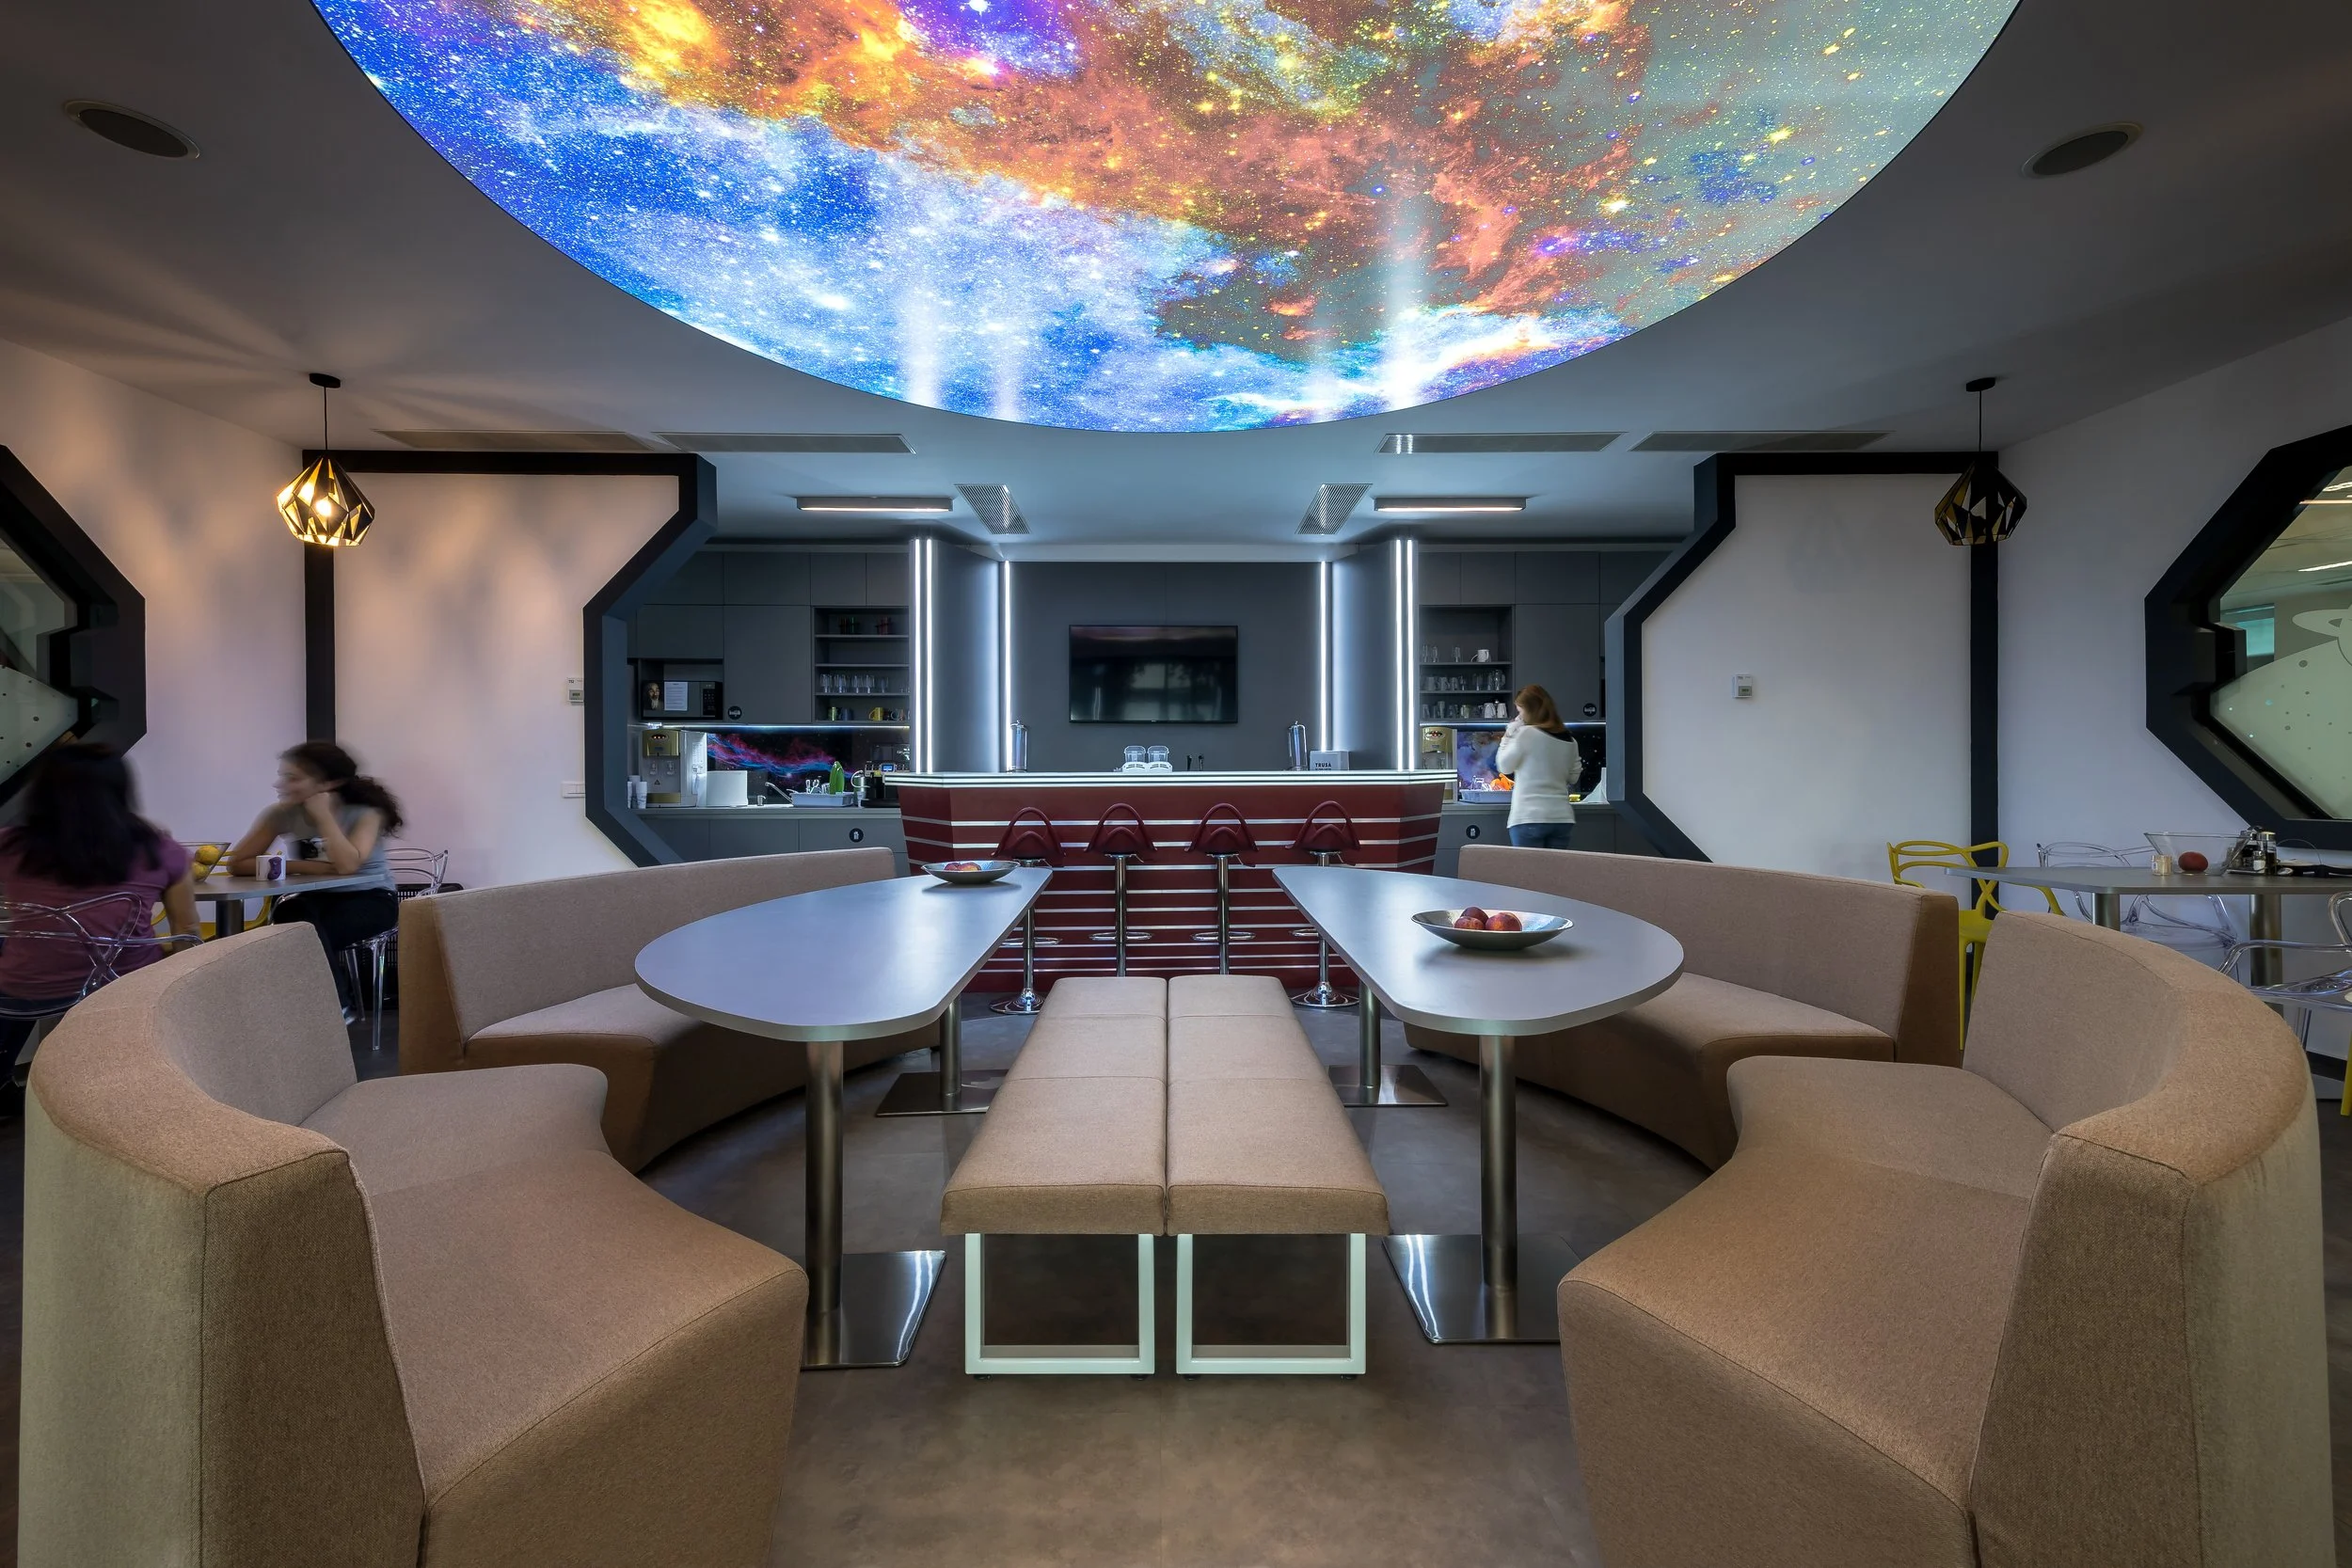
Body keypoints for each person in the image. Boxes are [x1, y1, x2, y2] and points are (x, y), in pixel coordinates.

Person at [0, 743, 199, 1082]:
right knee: (149, 950)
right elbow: (187, 932)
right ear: (120, 791)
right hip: (124, 986)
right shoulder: (161, 850)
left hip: (25, 991)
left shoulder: (8, 846)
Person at [224, 740, 402, 1019]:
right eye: (284, 776)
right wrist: (309, 867)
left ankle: (330, 1008)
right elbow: (238, 864)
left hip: (372, 899)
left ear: (328, 783)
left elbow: (345, 866)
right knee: (290, 913)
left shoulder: (365, 814)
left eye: (293, 778)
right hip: (316, 898)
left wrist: (324, 816)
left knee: (299, 935)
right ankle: (321, 1008)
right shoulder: (280, 814)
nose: (281, 784)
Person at [1497, 684, 1583, 850]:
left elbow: (1504, 766)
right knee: (1554, 875)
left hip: (1529, 817)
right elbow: (1573, 777)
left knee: (1529, 875)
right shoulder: (1570, 740)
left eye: (1520, 712)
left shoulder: (1526, 734)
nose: (1518, 717)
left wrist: (1508, 735)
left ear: (1530, 710)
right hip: (1562, 819)